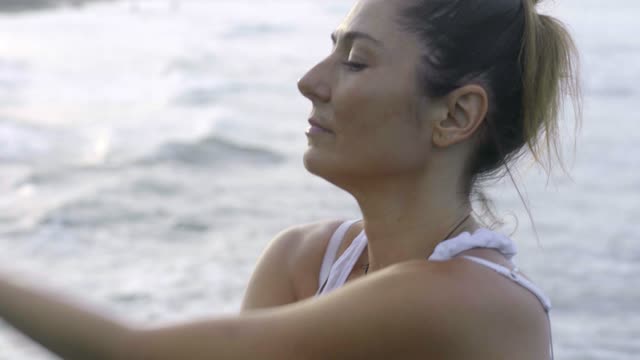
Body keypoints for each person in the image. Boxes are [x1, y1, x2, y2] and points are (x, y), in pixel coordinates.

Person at [0, 0, 580, 359]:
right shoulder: (304, 261)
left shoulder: (475, 301)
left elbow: (136, 353)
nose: (310, 81)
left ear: (455, 116)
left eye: (355, 61)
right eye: (331, 51)